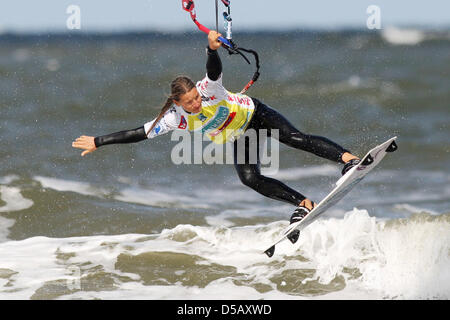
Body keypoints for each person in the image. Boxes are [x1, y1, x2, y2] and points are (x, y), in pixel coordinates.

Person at [72, 31, 360, 224]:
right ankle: (303, 203)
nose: (197, 104)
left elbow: (213, 68)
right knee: (249, 177)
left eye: (196, 98)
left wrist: (211, 48)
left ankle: (348, 160)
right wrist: (99, 141)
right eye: (190, 102)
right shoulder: (175, 118)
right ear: (178, 102)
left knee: (293, 137)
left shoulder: (209, 88)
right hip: (239, 134)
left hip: (254, 113)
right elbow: (139, 133)